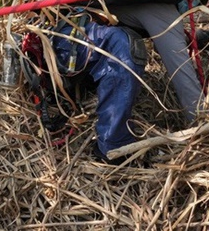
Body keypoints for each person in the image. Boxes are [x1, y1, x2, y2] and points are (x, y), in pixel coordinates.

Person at [24, 13, 147, 164]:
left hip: (104, 23)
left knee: (125, 43)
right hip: (64, 24)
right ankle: (113, 146)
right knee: (123, 45)